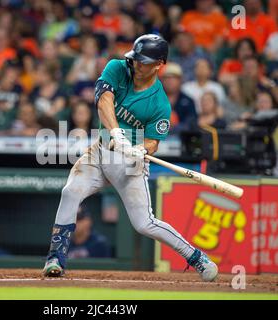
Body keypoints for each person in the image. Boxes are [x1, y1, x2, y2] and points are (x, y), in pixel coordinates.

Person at [43, 34, 218, 281]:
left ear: (159, 64)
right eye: (136, 59)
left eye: (144, 62)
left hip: (130, 164)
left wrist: (142, 150)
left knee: (144, 223)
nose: (137, 65)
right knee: (70, 192)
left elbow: (153, 142)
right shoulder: (117, 67)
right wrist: (116, 132)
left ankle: (196, 257)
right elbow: (104, 101)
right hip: (101, 150)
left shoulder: (160, 104)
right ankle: (56, 258)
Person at [160, 63, 198, 132]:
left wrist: (174, 127)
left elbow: (192, 124)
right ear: (162, 80)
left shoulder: (188, 101)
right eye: (167, 78)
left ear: (180, 80)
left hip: (181, 139)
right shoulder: (153, 100)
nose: (170, 81)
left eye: (173, 78)